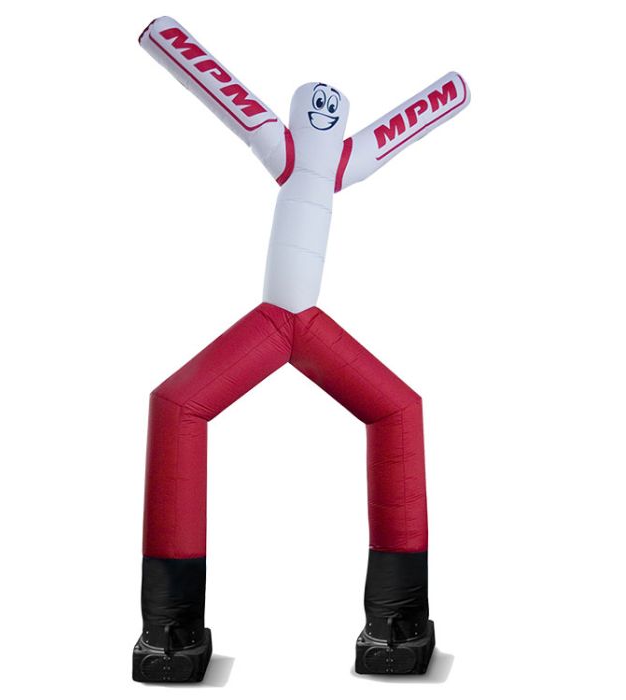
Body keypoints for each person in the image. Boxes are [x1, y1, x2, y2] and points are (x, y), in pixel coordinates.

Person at [133, 16, 470, 682]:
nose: (322, 120)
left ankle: (396, 617)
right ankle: (170, 627)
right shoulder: (298, 149)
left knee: (397, 408)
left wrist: (452, 93)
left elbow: (408, 119)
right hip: (281, 319)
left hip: (297, 321)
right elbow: (220, 88)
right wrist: (165, 37)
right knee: (176, 405)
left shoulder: (324, 155)